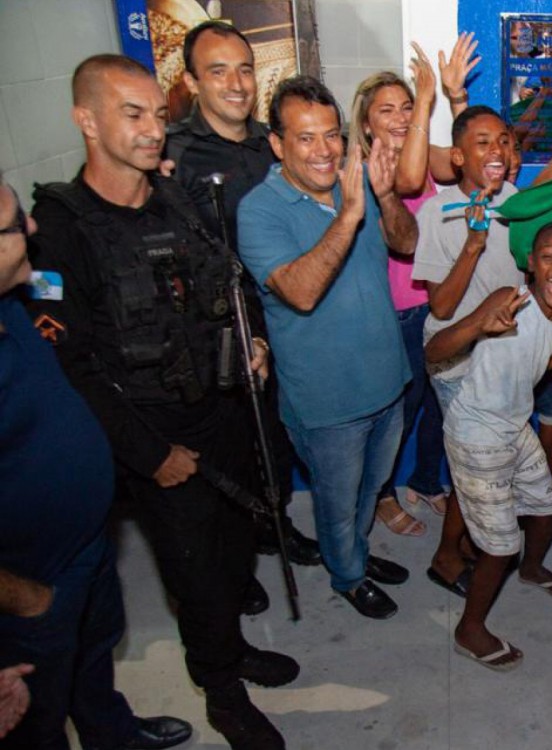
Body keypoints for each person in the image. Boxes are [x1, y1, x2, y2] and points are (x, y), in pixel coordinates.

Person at [24, 55, 294, 748]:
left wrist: (252, 344)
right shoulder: (61, 230)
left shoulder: (175, 196)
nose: (153, 131)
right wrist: (150, 455)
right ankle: (221, 690)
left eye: (156, 113)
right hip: (155, 434)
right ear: (86, 120)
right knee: (194, 571)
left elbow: (227, 287)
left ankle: (229, 651)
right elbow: (71, 366)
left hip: (225, 408)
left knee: (236, 552)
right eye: (132, 114)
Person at [1, 171, 193, 750]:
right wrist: (29, 600)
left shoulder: (12, 301)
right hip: (27, 580)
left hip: (82, 545)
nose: (32, 228)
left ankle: (111, 732)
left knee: (91, 661)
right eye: (14, 225)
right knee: (33, 719)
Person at [237, 76, 414, 620]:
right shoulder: (259, 210)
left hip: (388, 381)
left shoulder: (354, 183)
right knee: (338, 508)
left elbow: (406, 244)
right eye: (306, 138)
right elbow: (300, 292)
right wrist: (349, 215)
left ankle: (354, 556)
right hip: (328, 404)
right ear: (277, 143)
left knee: (372, 489)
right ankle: (347, 575)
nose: (323, 151)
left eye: (332, 136)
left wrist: (381, 195)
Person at [164, 21, 321, 610]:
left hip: (282, 316)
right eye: (218, 71)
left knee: (276, 438)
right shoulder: (175, 155)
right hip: (217, 329)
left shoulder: (272, 145)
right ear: (191, 81)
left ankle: (274, 526)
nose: (236, 84)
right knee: (229, 447)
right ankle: (239, 557)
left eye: (245, 69)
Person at [425, 220, 552, 671]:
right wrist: (478, 327)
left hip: (514, 428)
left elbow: (536, 362)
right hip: (475, 434)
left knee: (545, 512)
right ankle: (470, 629)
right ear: (530, 263)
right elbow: (435, 350)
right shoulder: (508, 300)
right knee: (500, 547)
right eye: (548, 256)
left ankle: (532, 568)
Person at [347, 37, 478, 538]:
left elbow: (466, 160)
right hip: (393, 314)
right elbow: (404, 186)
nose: (401, 117)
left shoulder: (423, 155)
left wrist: (456, 97)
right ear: (366, 123)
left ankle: (425, 480)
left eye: (406, 106)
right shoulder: (368, 168)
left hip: (436, 305)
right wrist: (427, 100)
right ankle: (380, 493)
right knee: (396, 410)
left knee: (438, 405)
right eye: (388, 110)